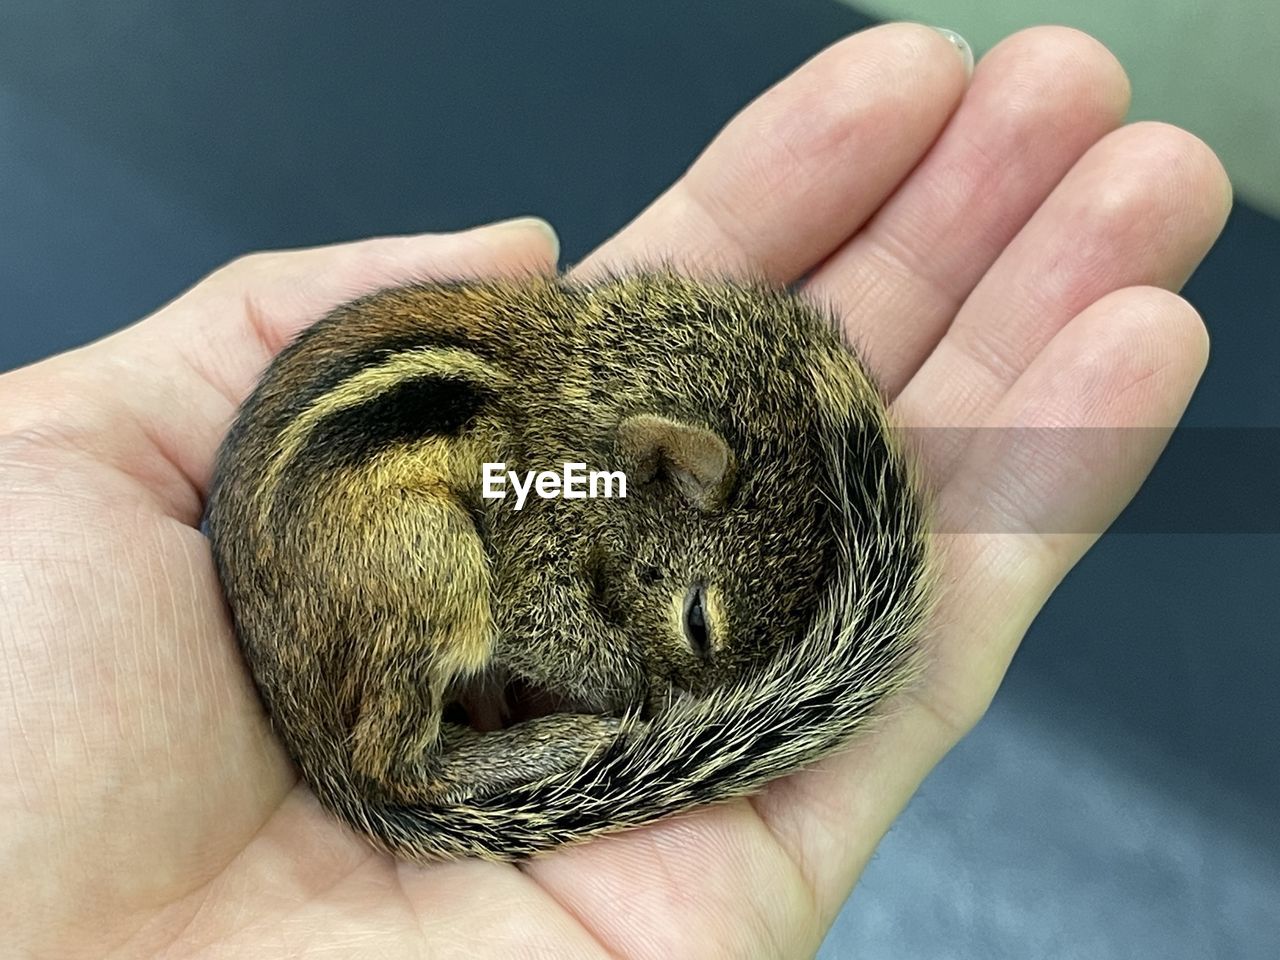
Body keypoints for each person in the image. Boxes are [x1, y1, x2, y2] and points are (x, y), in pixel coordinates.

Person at [0, 22, 1229, 959]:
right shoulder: (560, 473)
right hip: (373, 577)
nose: (687, 670)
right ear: (653, 467)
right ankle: (416, 751)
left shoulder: (601, 453)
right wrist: (628, 676)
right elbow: (537, 606)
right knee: (452, 572)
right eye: (694, 619)